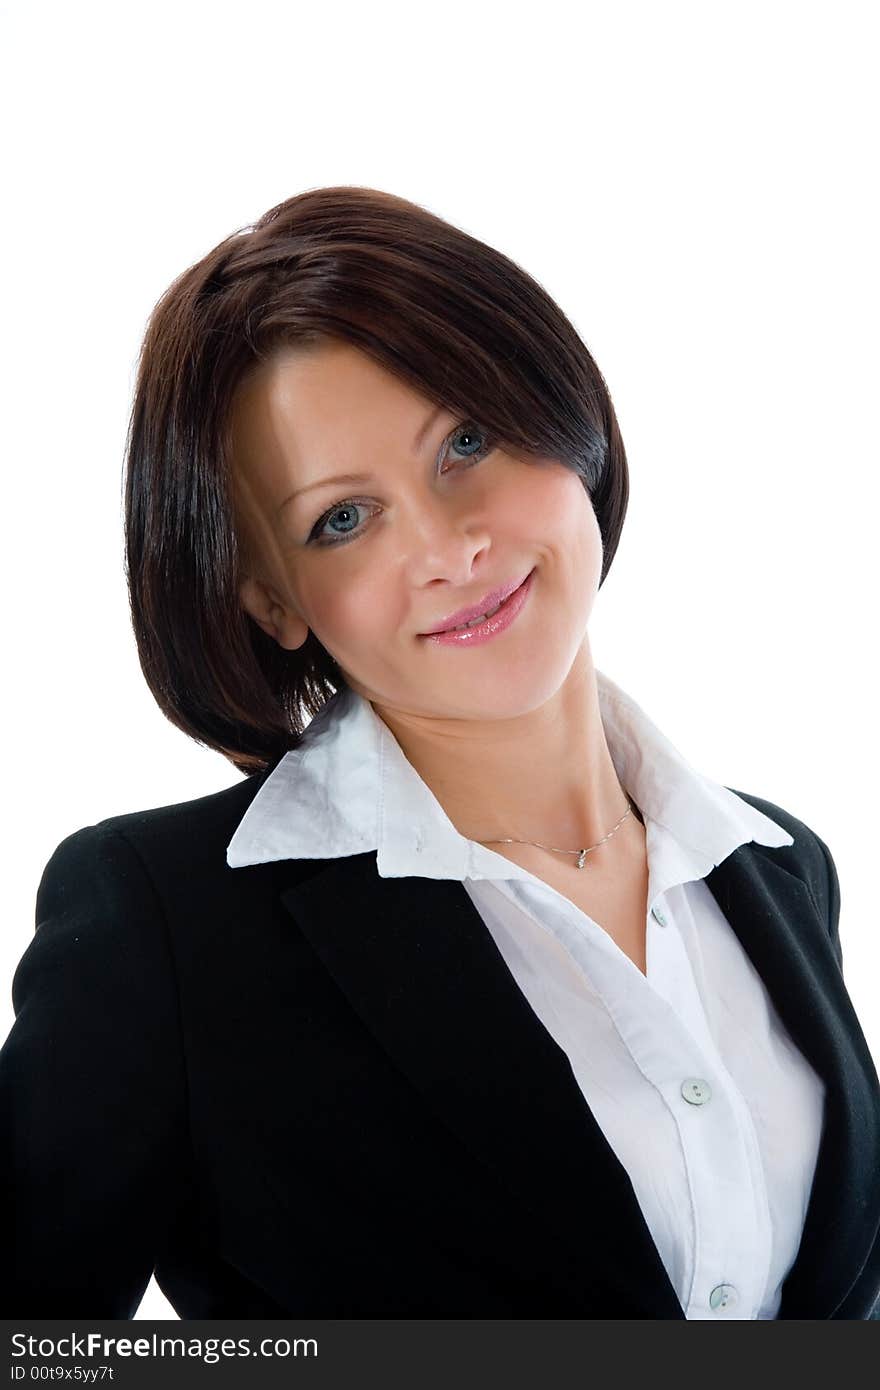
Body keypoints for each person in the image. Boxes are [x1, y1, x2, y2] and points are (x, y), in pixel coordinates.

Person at [2, 186, 878, 1320]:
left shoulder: (777, 865)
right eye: (342, 519)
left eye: (465, 441)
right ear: (271, 599)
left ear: (565, 419)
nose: (449, 547)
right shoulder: (163, 926)